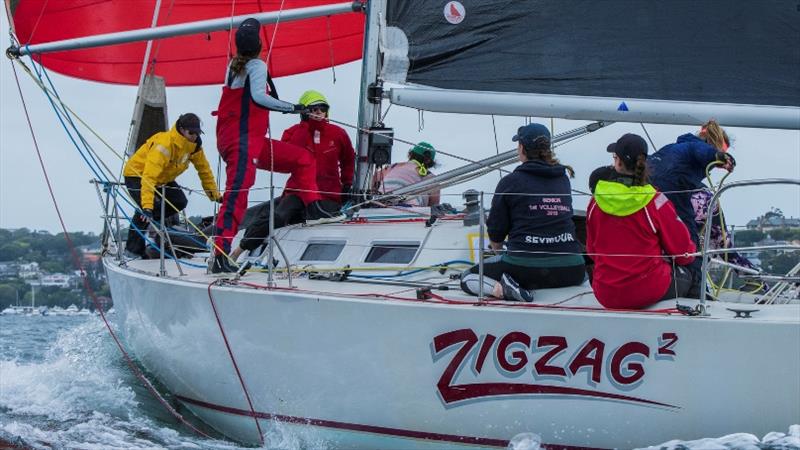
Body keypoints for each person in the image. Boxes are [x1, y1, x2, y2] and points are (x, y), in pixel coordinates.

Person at [213, 17, 306, 273]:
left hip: (239, 141)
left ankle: (310, 205)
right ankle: (219, 256)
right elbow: (259, 97)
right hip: (243, 142)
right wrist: (293, 108)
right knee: (236, 198)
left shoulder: (233, 66)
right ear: (259, 45)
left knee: (302, 158)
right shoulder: (256, 66)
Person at [459, 123, 585, 302]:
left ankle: (507, 289)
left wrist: (499, 254)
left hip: (526, 270)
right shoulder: (562, 179)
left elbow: (496, 234)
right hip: (573, 269)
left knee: (467, 278)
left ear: (522, 148)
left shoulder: (510, 182)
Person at [587, 133, 696, 309]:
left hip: (606, 294)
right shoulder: (656, 201)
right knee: (688, 275)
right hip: (646, 291)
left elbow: (592, 252)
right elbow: (684, 252)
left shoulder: (595, 201)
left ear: (618, 162)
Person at [648, 119, 736, 295]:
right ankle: (698, 293)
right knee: (690, 244)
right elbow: (702, 151)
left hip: (650, 198)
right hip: (675, 194)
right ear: (713, 144)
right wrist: (719, 157)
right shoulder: (695, 148)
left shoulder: (671, 147)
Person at [123, 113, 221, 258]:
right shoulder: (165, 144)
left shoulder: (194, 148)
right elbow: (149, 176)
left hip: (162, 178)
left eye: (197, 133)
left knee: (179, 201)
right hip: (137, 174)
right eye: (191, 132)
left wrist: (215, 195)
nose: (194, 136)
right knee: (146, 212)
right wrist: (147, 207)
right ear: (181, 129)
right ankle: (132, 250)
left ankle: (155, 228)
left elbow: (204, 170)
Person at [282, 90, 355, 208]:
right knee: (280, 217)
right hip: (297, 193)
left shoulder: (338, 133)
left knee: (326, 218)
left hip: (329, 194)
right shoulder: (292, 132)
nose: (319, 111)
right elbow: (286, 159)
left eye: (323, 108)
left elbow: (348, 160)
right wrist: (304, 125)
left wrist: (347, 183)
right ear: (304, 111)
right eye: (314, 108)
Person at [373, 142, 441, 206]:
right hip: (410, 209)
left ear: (410, 154)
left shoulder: (394, 167)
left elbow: (374, 179)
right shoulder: (430, 177)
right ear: (430, 162)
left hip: (381, 203)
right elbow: (433, 206)